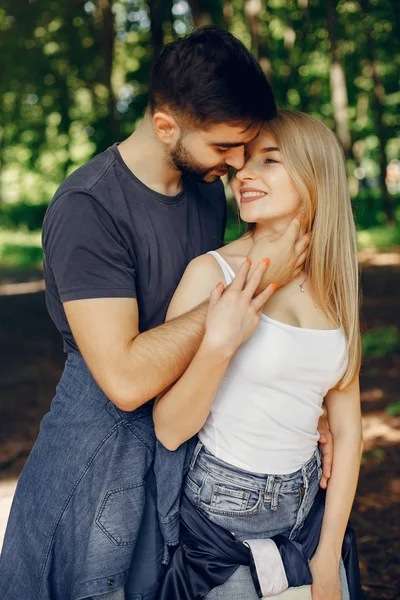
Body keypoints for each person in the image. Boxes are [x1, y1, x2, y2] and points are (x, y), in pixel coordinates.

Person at [0, 29, 317, 600]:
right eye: (224, 147)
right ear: (166, 126)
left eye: (244, 146)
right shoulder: (88, 208)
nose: (238, 162)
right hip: (99, 454)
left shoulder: (204, 188)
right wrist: (246, 290)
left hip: (183, 443)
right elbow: (123, 381)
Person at [153, 110, 363, 599]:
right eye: (243, 162)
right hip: (220, 525)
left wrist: (328, 552)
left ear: (315, 175)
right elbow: (168, 427)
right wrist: (220, 345)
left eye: (269, 161)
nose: (243, 174)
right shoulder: (211, 274)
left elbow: (348, 429)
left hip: (309, 516)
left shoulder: (334, 285)